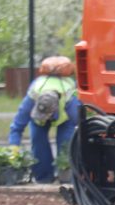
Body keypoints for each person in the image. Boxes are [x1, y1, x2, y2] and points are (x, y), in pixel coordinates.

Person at [8, 56, 81, 184]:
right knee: (38, 142)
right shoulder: (32, 97)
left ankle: (67, 177)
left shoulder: (69, 96)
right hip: (38, 119)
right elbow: (17, 126)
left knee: (66, 144)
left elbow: (78, 122)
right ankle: (43, 178)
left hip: (65, 119)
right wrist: (14, 149)